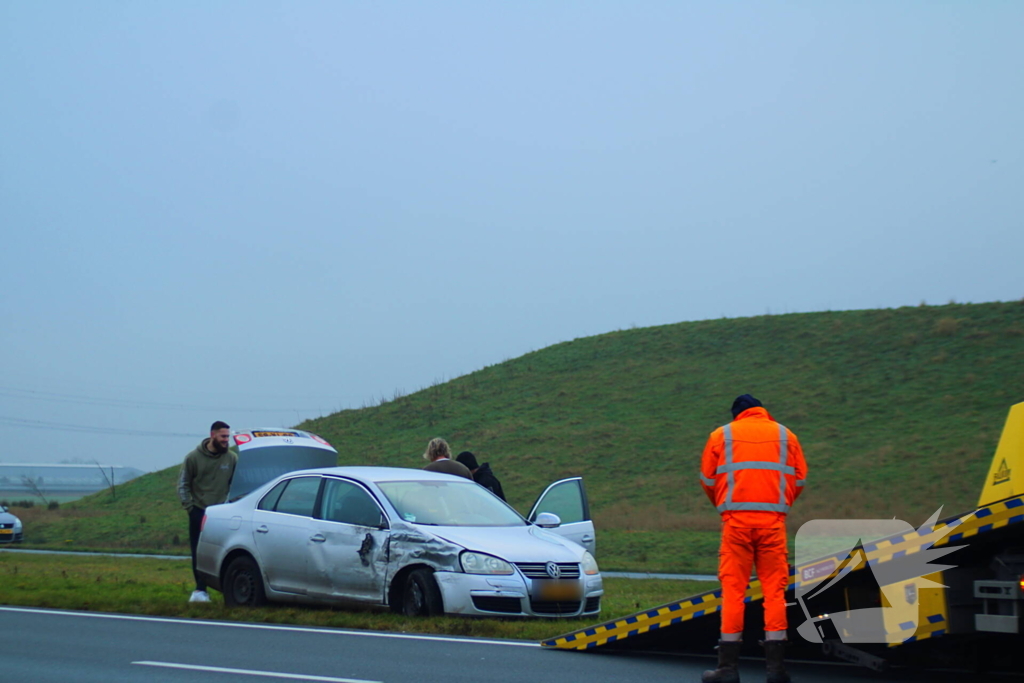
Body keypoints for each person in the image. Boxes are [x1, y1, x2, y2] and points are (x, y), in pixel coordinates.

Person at [699, 395, 807, 683]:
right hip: (773, 524)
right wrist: (778, 506)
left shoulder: (721, 435)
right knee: (774, 592)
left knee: (734, 591)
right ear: (761, 411)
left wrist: (726, 508)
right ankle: (776, 670)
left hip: (736, 524)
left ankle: (727, 669)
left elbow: (708, 481)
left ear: (737, 414)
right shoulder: (786, 436)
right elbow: (799, 479)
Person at [178, 421, 238, 603]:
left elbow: (235, 485)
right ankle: (200, 591)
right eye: (223, 437)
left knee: (225, 551)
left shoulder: (232, 458)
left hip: (221, 513)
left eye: (228, 437)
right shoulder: (193, 458)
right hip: (199, 511)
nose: (226, 440)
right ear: (213, 435)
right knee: (199, 552)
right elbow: (183, 484)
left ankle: (227, 590)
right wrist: (190, 509)